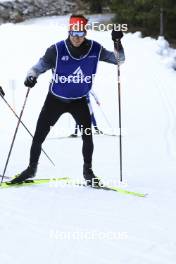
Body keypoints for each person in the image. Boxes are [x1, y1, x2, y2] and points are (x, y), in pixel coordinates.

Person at [11, 14, 125, 186]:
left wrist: (117, 43)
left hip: (79, 101)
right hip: (55, 100)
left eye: (80, 34)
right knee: (39, 136)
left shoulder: (95, 48)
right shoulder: (56, 50)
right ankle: (31, 169)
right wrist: (31, 77)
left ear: (85, 33)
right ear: (69, 31)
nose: (76, 38)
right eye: (73, 33)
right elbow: (38, 67)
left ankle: (88, 171)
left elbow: (119, 60)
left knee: (88, 136)